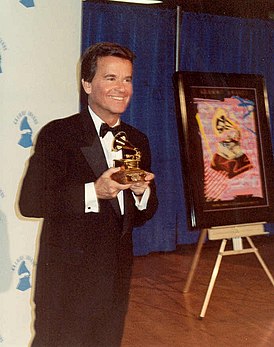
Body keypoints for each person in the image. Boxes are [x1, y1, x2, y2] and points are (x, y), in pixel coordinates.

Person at [19, 42, 158, 347]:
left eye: (127, 79)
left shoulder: (138, 139)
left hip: (114, 286)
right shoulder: (58, 135)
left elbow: (143, 214)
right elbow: (30, 203)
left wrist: (141, 193)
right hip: (66, 286)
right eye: (111, 78)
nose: (122, 88)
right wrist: (93, 191)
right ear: (87, 84)